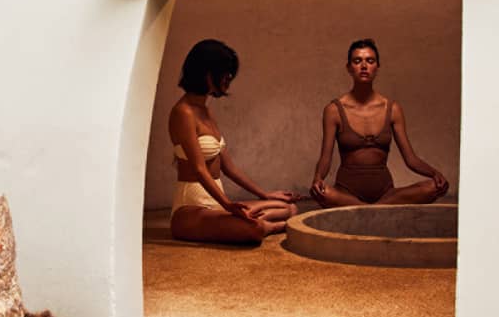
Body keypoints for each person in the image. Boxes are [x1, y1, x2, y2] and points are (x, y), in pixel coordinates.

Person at [168, 39, 298, 242]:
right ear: (206, 72)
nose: (229, 77)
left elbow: (229, 168)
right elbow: (198, 168)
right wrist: (229, 205)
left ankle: (261, 222)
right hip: (191, 209)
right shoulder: (182, 112)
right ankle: (269, 226)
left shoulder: (205, 110)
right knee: (253, 231)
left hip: (217, 204)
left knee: (288, 207)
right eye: (224, 72)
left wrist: (265, 194)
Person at [310, 38, 449, 207]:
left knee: (433, 187)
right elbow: (326, 158)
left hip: (386, 193)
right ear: (349, 68)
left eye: (370, 61)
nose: (363, 66)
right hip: (346, 193)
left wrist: (435, 173)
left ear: (377, 67)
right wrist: (318, 178)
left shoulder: (392, 108)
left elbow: (410, 158)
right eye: (357, 61)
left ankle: (365, 210)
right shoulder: (334, 110)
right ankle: (378, 210)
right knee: (322, 192)